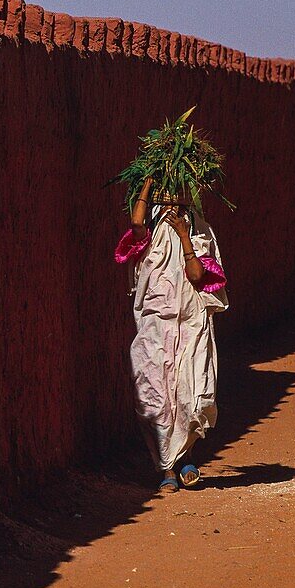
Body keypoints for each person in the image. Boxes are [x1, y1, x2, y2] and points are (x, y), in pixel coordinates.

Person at [114, 176, 229, 492]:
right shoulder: (148, 228)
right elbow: (136, 222)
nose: (169, 204)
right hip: (155, 324)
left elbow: (196, 275)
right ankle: (165, 467)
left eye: (174, 198)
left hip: (189, 323)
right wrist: (148, 184)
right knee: (157, 394)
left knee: (187, 390)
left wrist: (184, 237)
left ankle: (186, 459)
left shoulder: (198, 230)